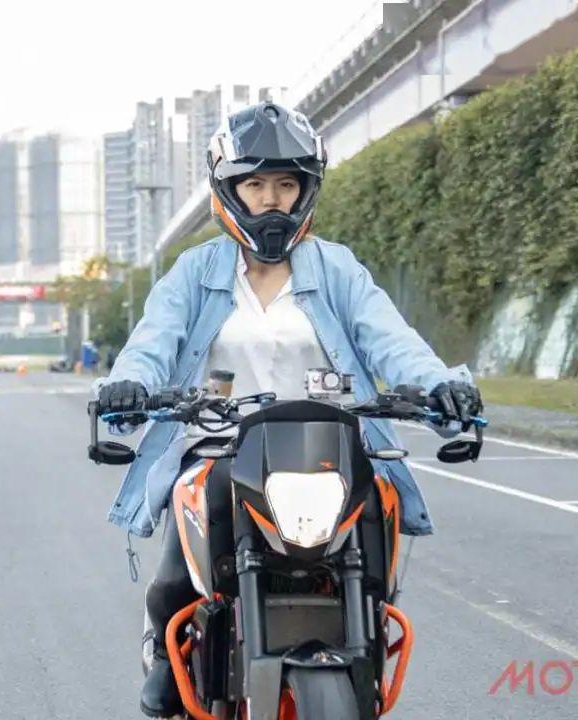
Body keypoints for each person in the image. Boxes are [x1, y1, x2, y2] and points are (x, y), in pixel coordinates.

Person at [94, 101, 482, 717]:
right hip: (221, 446)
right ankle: (167, 651)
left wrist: (439, 386)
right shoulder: (195, 272)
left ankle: (362, 639)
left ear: (306, 190)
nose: (271, 199)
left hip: (329, 446)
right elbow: (152, 343)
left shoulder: (337, 268)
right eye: (255, 184)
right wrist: (128, 386)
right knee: (180, 555)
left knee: (375, 520)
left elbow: (392, 339)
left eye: (286, 184)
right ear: (230, 190)